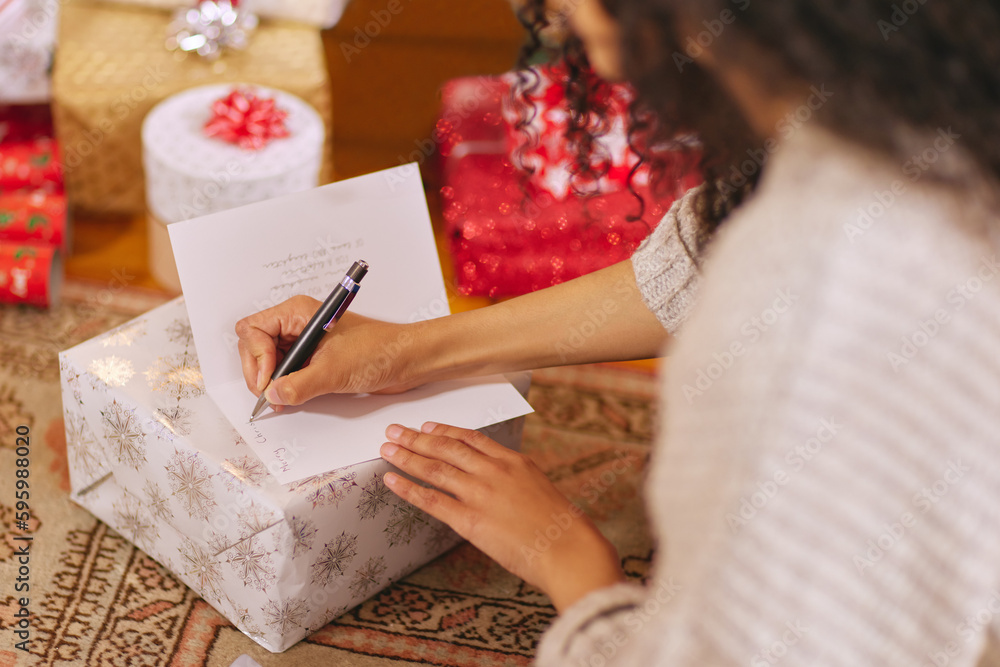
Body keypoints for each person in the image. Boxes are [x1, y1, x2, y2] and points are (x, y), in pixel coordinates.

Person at [235, 0, 1000, 663]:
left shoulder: (813, 309)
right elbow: (696, 262)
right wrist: (411, 349)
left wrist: (579, 573)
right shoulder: (917, 94)